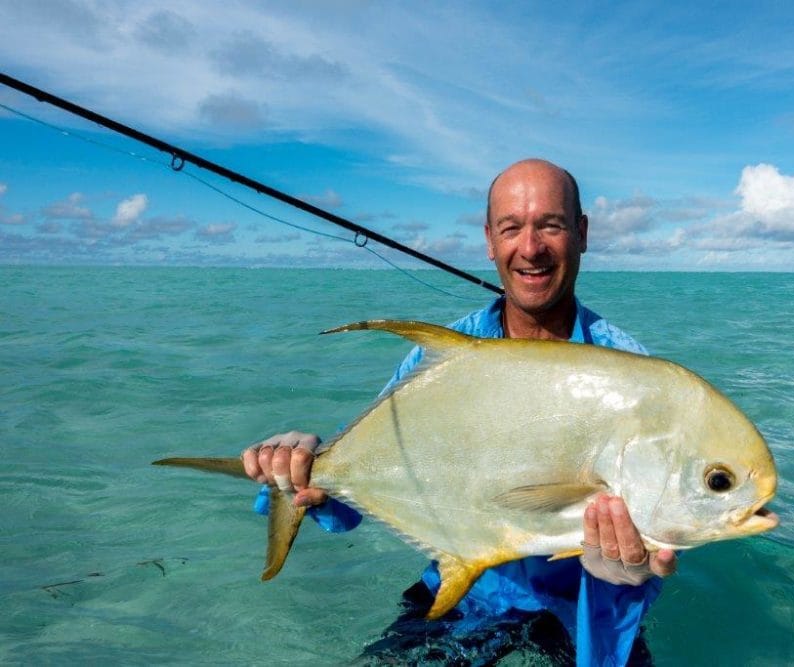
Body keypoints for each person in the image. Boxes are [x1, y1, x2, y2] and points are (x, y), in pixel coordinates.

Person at [241, 159, 677, 664]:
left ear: (581, 233)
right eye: (511, 228)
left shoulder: (634, 377)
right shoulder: (441, 356)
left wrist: (634, 569)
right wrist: (308, 469)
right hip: (464, 596)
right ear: (490, 240)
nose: (530, 248)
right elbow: (371, 469)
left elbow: (669, 508)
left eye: (551, 225)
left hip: (585, 610)